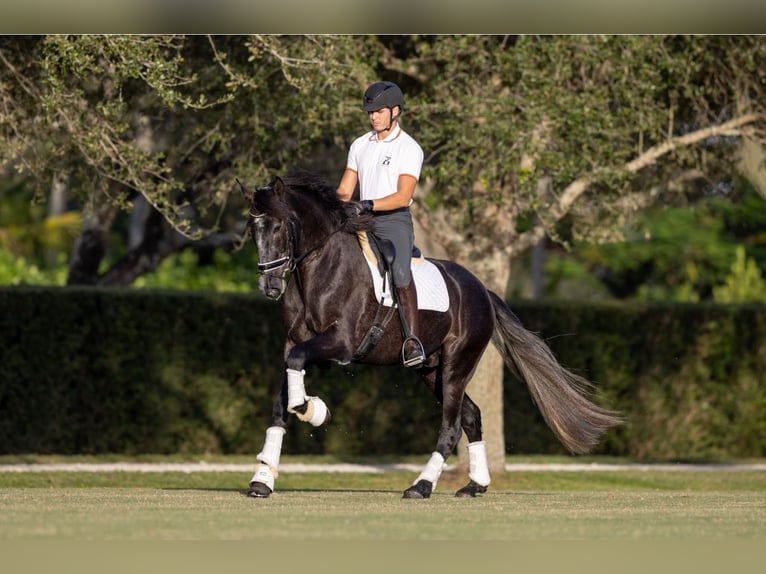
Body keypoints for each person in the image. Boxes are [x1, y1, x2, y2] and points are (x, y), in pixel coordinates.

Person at [337, 81, 426, 367]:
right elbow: (344, 192)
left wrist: (369, 204)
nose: (373, 116)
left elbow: (403, 196)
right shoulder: (359, 145)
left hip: (393, 220)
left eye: (378, 111)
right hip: (361, 218)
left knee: (400, 271)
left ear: (395, 111)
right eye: (370, 112)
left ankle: (413, 341)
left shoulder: (409, 149)